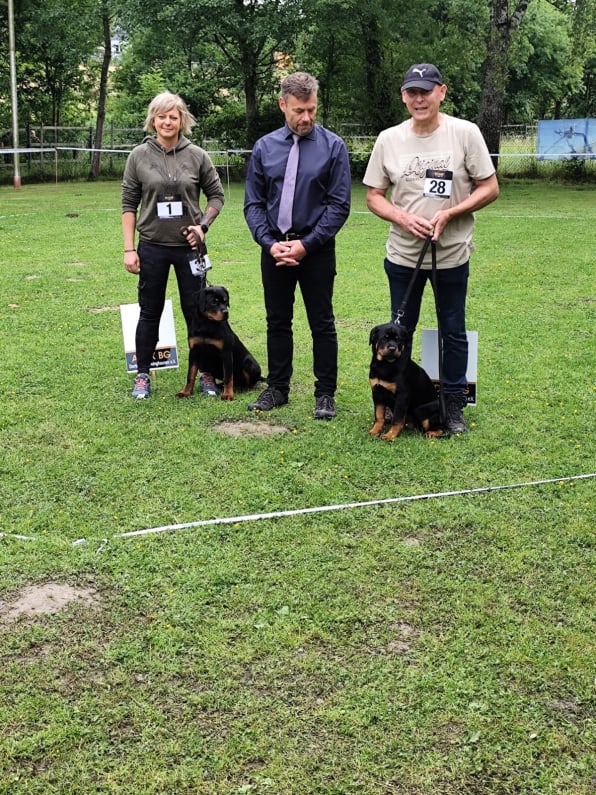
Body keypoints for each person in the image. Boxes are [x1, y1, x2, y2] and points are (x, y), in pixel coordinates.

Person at [363, 63, 499, 433]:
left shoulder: (465, 133)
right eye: (412, 92)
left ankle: (452, 404)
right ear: (403, 96)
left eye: (426, 91)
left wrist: (452, 213)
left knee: (452, 331)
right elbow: (374, 196)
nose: (419, 99)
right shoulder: (389, 139)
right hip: (403, 257)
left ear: (442, 91)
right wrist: (403, 218)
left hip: (451, 254)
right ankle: (396, 402)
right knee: (399, 330)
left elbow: (490, 187)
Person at [244, 72, 351, 420]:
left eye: (312, 110)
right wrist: (269, 243)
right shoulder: (264, 148)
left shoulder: (333, 147)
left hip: (316, 249)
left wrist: (307, 245)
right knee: (277, 321)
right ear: (282, 104)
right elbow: (254, 204)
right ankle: (277, 388)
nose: (306, 117)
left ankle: (325, 394)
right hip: (274, 249)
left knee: (322, 322)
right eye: (299, 110)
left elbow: (339, 205)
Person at [122, 91, 225, 399]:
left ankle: (205, 372)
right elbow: (128, 204)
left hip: (189, 249)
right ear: (153, 120)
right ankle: (143, 374)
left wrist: (202, 227)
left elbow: (217, 196)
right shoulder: (138, 156)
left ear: (182, 121)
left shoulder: (198, 155)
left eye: (173, 117)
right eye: (162, 116)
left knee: (197, 312)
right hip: (152, 246)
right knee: (149, 311)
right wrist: (129, 249)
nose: (167, 122)